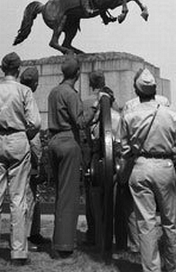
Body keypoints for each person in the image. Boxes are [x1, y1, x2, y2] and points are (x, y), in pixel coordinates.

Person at [119, 68, 176, 272]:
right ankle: (174, 268)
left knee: (145, 225)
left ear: (136, 91)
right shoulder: (171, 115)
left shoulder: (129, 115)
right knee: (170, 222)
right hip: (164, 166)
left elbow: (124, 148)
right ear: (155, 90)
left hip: (140, 167)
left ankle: (151, 269)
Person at [0, 52, 41, 265]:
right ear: (18, 70)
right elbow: (35, 122)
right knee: (18, 198)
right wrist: (23, 132)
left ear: (2, 68)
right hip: (18, 138)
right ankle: (18, 252)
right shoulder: (24, 91)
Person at [47, 56, 85, 259]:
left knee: (60, 194)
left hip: (53, 141)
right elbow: (80, 121)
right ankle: (64, 245)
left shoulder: (54, 92)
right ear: (77, 74)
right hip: (68, 142)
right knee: (69, 195)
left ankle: (58, 239)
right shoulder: (71, 94)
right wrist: (95, 108)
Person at [19, 66, 49, 250]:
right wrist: (38, 157)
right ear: (36, 84)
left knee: (31, 195)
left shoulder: (19, 93)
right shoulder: (28, 98)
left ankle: (33, 232)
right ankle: (26, 237)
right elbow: (34, 131)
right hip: (27, 151)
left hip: (21, 148)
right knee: (27, 196)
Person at [81, 69, 106, 245]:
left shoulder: (87, 102)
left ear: (90, 84)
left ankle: (93, 233)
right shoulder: (112, 101)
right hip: (107, 153)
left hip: (91, 152)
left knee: (91, 194)